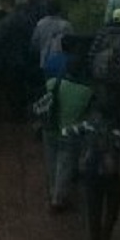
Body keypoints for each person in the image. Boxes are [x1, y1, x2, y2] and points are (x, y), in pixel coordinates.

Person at [63, 103, 120, 240]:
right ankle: (106, 235)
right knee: (112, 212)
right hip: (112, 179)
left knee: (93, 211)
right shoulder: (119, 135)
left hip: (91, 176)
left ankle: (94, 237)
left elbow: (66, 132)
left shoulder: (89, 126)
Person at [40, 53, 93, 213]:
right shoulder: (87, 92)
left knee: (51, 161)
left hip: (50, 129)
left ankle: (52, 189)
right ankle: (58, 198)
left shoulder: (52, 83)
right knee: (65, 163)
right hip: (70, 133)